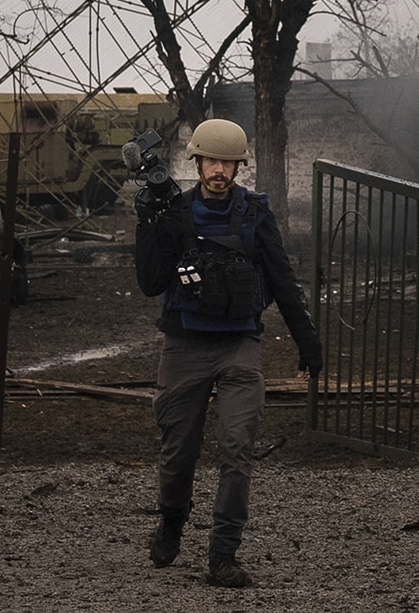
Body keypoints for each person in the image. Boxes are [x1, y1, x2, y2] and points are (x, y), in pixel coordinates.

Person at [132, 117, 323, 589]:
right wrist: (148, 225)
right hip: (184, 345)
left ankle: (223, 554)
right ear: (197, 162)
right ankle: (172, 522)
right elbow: (150, 282)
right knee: (178, 452)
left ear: (239, 167)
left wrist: (308, 342)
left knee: (237, 448)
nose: (219, 170)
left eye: (228, 163)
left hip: (240, 343)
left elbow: (281, 279)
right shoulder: (174, 212)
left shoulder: (256, 213)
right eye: (211, 161)